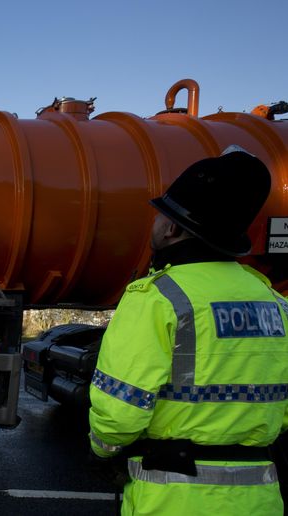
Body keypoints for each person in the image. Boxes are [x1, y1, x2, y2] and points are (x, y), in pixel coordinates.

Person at [88, 148, 288, 515]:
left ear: (173, 227)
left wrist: (104, 450)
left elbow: (119, 414)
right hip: (260, 499)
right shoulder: (274, 301)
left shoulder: (158, 298)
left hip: (175, 498)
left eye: (159, 215)